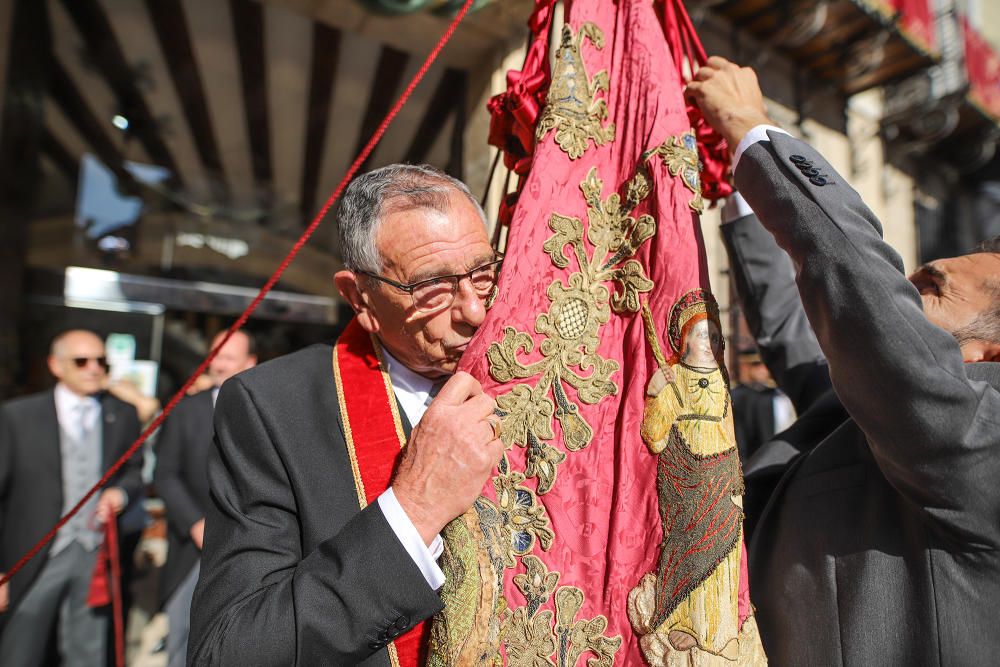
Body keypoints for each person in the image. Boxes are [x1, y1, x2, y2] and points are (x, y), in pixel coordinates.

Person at [687, 57, 1000, 664]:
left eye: (929, 288)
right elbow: (792, 333)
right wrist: (739, 182)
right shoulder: (876, 409)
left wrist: (755, 130)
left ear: (988, 352)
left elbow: (865, 289)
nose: (903, 295)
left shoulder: (985, 439)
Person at [188, 164, 506, 665]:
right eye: (432, 288)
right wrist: (413, 512)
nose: (474, 311)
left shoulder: (539, 372)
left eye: (484, 273)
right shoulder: (272, 408)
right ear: (360, 298)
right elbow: (228, 652)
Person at [0, 329, 143, 666]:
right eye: (82, 361)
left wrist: (121, 493)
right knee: (21, 650)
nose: (93, 368)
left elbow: (135, 470)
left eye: (101, 362)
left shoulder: (122, 414)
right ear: (56, 365)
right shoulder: (17, 416)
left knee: (88, 652)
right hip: (34, 554)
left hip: (94, 554)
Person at [154, 329, 257, 667]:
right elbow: (165, 474)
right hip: (192, 546)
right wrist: (193, 523)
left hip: (249, 545)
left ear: (250, 363)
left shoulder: (265, 412)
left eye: (228, 357)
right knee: (181, 635)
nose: (219, 364)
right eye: (215, 356)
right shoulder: (185, 410)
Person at [730, 348, 794, 463]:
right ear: (745, 366)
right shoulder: (738, 397)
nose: (764, 370)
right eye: (757, 365)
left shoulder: (775, 395)